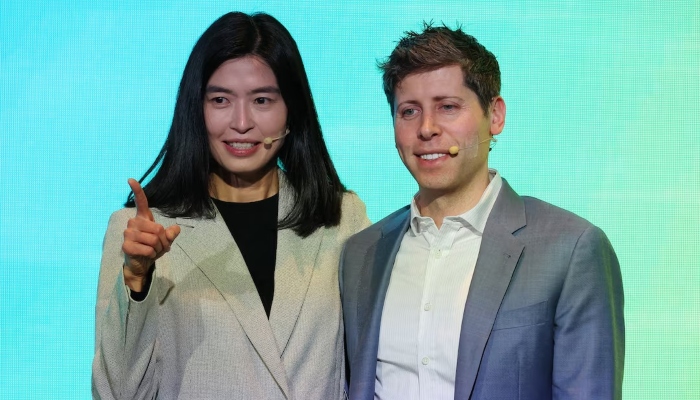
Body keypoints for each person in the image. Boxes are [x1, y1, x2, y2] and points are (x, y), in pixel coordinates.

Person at [92, 12, 369, 399]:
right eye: (220, 100)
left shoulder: (342, 217)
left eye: (262, 100)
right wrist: (137, 281)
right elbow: (117, 393)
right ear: (196, 109)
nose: (241, 122)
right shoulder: (140, 230)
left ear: (292, 111)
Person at [340, 23, 624, 400]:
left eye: (448, 107)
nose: (427, 129)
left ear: (495, 116)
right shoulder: (362, 253)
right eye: (409, 111)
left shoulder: (570, 249)